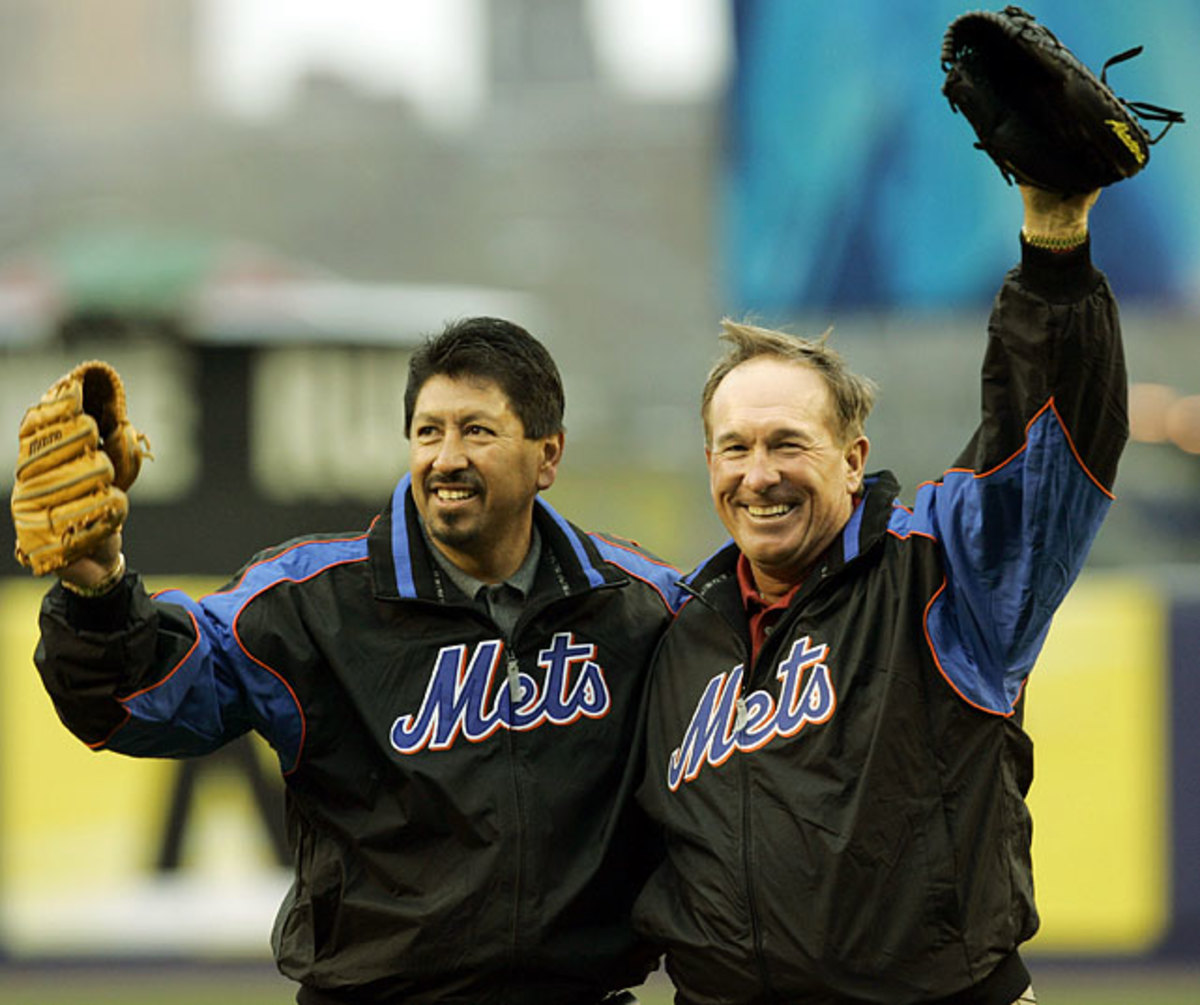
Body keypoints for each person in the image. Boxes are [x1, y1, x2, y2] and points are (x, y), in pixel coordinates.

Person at [27, 317, 682, 1005]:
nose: (446, 457)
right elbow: (141, 694)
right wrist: (96, 589)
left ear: (548, 455)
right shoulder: (311, 600)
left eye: (477, 430)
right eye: (429, 431)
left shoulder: (637, 606)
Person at [632, 183, 1126, 1005]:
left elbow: (1047, 441)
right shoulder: (681, 628)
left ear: (854, 460)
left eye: (789, 443)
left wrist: (1054, 245)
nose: (760, 474)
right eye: (735, 448)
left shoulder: (943, 575)